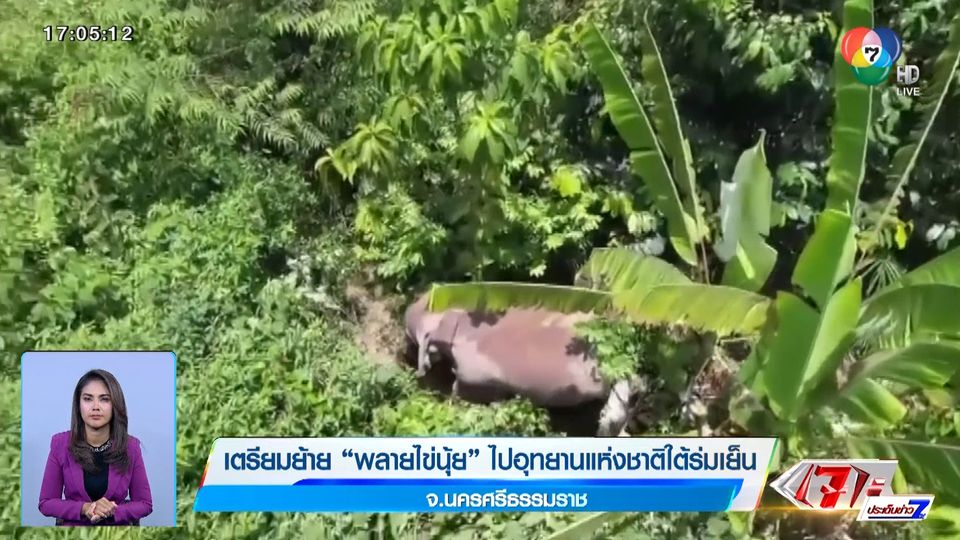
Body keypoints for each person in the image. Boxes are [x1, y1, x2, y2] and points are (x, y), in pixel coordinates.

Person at [38, 369, 153, 526]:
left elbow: (145, 504)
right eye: (88, 399)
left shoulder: (131, 447)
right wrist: (85, 508)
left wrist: (113, 511)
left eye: (104, 399)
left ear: (115, 405)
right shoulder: (60, 444)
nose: (95, 407)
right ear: (78, 405)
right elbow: (46, 503)